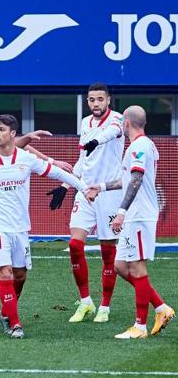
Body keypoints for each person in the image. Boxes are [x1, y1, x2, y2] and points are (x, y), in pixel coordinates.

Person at [0, 114, 90, 338]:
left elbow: (56, 172)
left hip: (20, 228)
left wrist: (84, 188)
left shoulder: (26, 158)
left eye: (1, 130)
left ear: (13, 134)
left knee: (20, 275)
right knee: (4, 273)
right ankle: (14, 322)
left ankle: (7, 307)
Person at [87, 106, 174, 339]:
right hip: (135, 216)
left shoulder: (140, 146)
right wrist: (102, 187)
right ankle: (161, 308)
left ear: (126, 123)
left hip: (139, 215)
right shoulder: (140, 146)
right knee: (121, 266)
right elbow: (128, 179)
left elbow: (136, 180)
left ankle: (140, 326)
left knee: (136, 267)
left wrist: (121, 211)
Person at [47, 82, 124, 323]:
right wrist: (65, 185)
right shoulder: (85, 123)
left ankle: (105, 306)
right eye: (92, 100)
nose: (96, 104)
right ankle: (85, 302)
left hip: (108, 194)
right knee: (75, 245)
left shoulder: (118, 120)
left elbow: (110, 133)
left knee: (108, 252)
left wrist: (96, 142)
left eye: (100, 99)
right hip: (84, 191)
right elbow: (83, 160)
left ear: (108, 100)